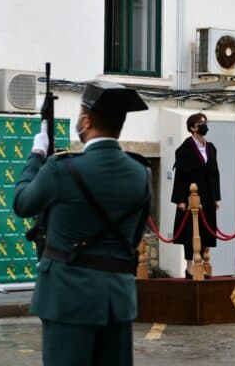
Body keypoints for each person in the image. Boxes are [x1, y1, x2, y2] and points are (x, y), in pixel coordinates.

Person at [13, 81, 151, 366]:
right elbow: (135, 236)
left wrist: (37, 155)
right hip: (117, 301)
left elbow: (23, 203)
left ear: (86, 122)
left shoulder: (61, 169)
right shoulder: (141, 173)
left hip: (68, 299)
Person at [171, 112, 221, 279]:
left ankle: (204, 265)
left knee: (206, 230)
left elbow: (215, 173)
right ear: (192, 127)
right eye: (200, 123)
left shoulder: (211, 147)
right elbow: (180, 176)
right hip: (189, 196)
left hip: (208, 195)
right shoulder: (184, 149)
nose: (204, 125)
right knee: (190, 232)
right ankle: (190, 267)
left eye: (205, 122)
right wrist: (179, 199)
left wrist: (217, 197)